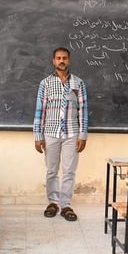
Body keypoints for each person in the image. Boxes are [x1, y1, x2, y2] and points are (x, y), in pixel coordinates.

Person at [34, 47, 88, 222]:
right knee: (51, 170)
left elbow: (83, 111)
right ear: (53, 61)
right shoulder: (45, 84)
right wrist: (38, 136)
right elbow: (40, 111)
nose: (61, 61)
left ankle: (65, 205)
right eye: (58, 58)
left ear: (69, 61)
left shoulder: (78, 83)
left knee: (69, 171)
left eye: (64, 58)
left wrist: (83, 135)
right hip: (50, 133)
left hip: (72, 134)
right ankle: (53, 202)